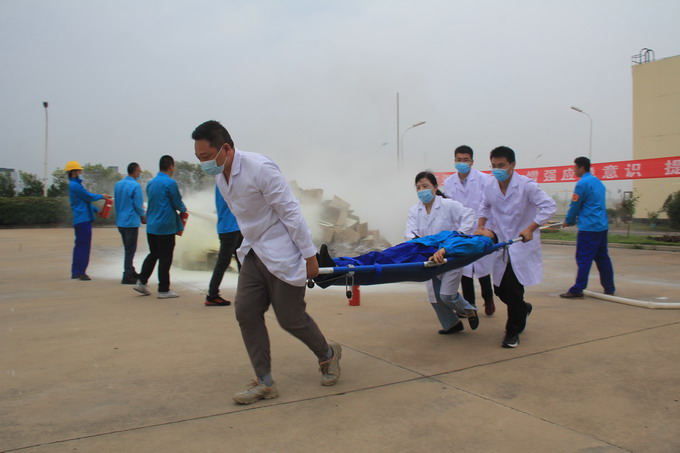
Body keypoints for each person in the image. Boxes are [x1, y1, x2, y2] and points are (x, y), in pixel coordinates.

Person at [192, 120, 341, 405]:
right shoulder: (220, 176)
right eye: (198, 158)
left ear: (226, 148)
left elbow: (290, 212)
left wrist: (309, 255)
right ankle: (264, 382)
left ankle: (328, 354)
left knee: (290, 319)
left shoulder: (260, 169)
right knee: (246, 312)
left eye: (206, 156)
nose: (203, 164)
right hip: (253, 251)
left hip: (283, 251)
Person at [476, 146, 556, 348]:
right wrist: (480, 226)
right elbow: (484, 206)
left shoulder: (526, 186)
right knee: (499, 290)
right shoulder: (490, 185)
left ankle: (512, 332)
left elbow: (549, 206)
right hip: (501, 242)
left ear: (512, 165)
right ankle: (523, 309)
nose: (497, 169)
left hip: (521, 243)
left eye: (501, 165)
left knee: (513, 288)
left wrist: (530, 228)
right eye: (494, 165)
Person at [404, 171, 478, 334]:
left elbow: (469, 214)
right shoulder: (414, 210)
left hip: (450, 256)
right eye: (418, 187)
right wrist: (416, 241)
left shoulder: (447, 205)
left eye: (425, 186)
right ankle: (452, 324)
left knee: (446, 296)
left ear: (435, 187)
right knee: (434, 298)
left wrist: (458, 237)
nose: (421, 190)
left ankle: (468, 309)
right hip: (429, 257)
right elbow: (409, 232)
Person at [443, 145, 497, 316]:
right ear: (454, 161)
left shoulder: (485, 179)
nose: (462, 163)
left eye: (465, 160)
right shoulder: (449, 182)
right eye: (459, 160)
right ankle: (469, 305)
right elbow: (448, 207)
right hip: (460, 231)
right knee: (464, 270)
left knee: (482, 268)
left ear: (472, 161)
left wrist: (488, 228)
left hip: (480, 229)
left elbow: (489, 205)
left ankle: (488, 299)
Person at [560, 157, 615, 298]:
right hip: (601, 226)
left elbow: (575, 205)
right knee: (602, 257)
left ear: (582, 168)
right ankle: (609, 288)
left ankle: (577, 289)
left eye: (575, 167)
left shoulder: (582, 184)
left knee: (584, 258)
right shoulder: (598, 182)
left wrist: (569, 220)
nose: (574, 170)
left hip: (589, 228)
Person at [133, 155, 186, 299]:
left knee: (154, 254)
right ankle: (163, 289)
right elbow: (177, 202)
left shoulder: (151, 183)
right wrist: (183, 209)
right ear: (171, 166)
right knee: (165, 258)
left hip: (152, 226)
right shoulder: (170, 183)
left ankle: (141, 282)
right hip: (165, 227)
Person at [65, 160, 112, 281]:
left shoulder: (76, 185)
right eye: (79, 171)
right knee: (84, 247)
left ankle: (76, 271)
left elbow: (85, 202)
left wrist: (97, 210)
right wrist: (102, 196)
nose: (80, 173)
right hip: (83, 220)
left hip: (81, 219)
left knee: (79, 246)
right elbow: (88, 197)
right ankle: (81, 272)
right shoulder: (75, 185)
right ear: (73, 172)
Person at [205, 185, 244, 306]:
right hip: (230, 228)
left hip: (230, 227)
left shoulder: (221, 182)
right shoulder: (227, 183)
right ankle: (212, 295)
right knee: (224, 262)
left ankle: (246, 292)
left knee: (242, 260)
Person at [114, 162, 146, 285]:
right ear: (134, 171)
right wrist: (143, 216)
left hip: (121, 222)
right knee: (130, 250)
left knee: (127, 249)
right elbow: (138, 205)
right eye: (139, 170)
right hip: (131, 222)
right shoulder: (135, 186)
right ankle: (127, 275)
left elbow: (117, 203)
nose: (140, 173)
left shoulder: (118, 185)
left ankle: (131, 271)